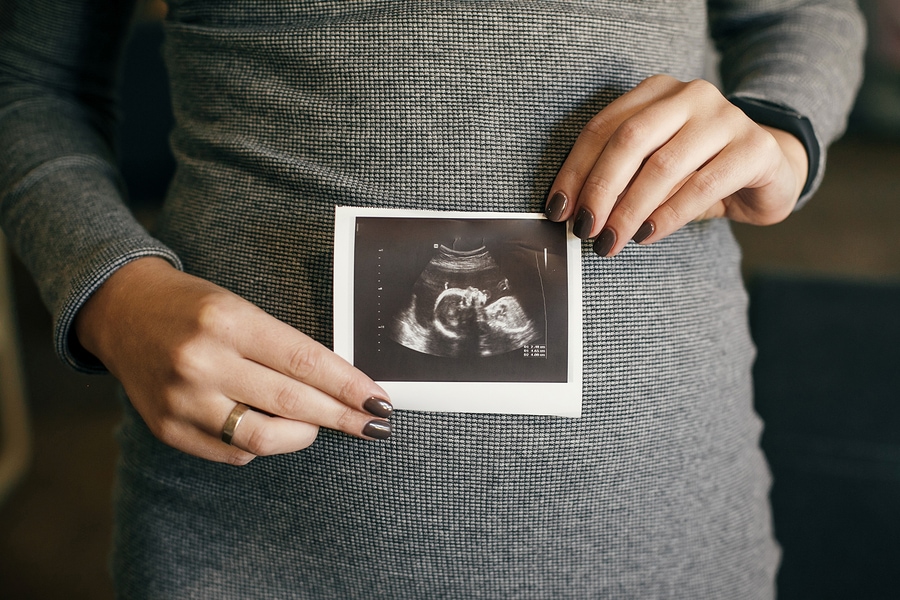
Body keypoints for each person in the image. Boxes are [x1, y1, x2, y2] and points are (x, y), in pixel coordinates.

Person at [0, 0, 864, 597]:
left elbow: (806, 11)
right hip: (255, 535)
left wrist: (782, 132)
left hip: (665, 519)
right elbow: (26, 77)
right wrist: (111, 290)